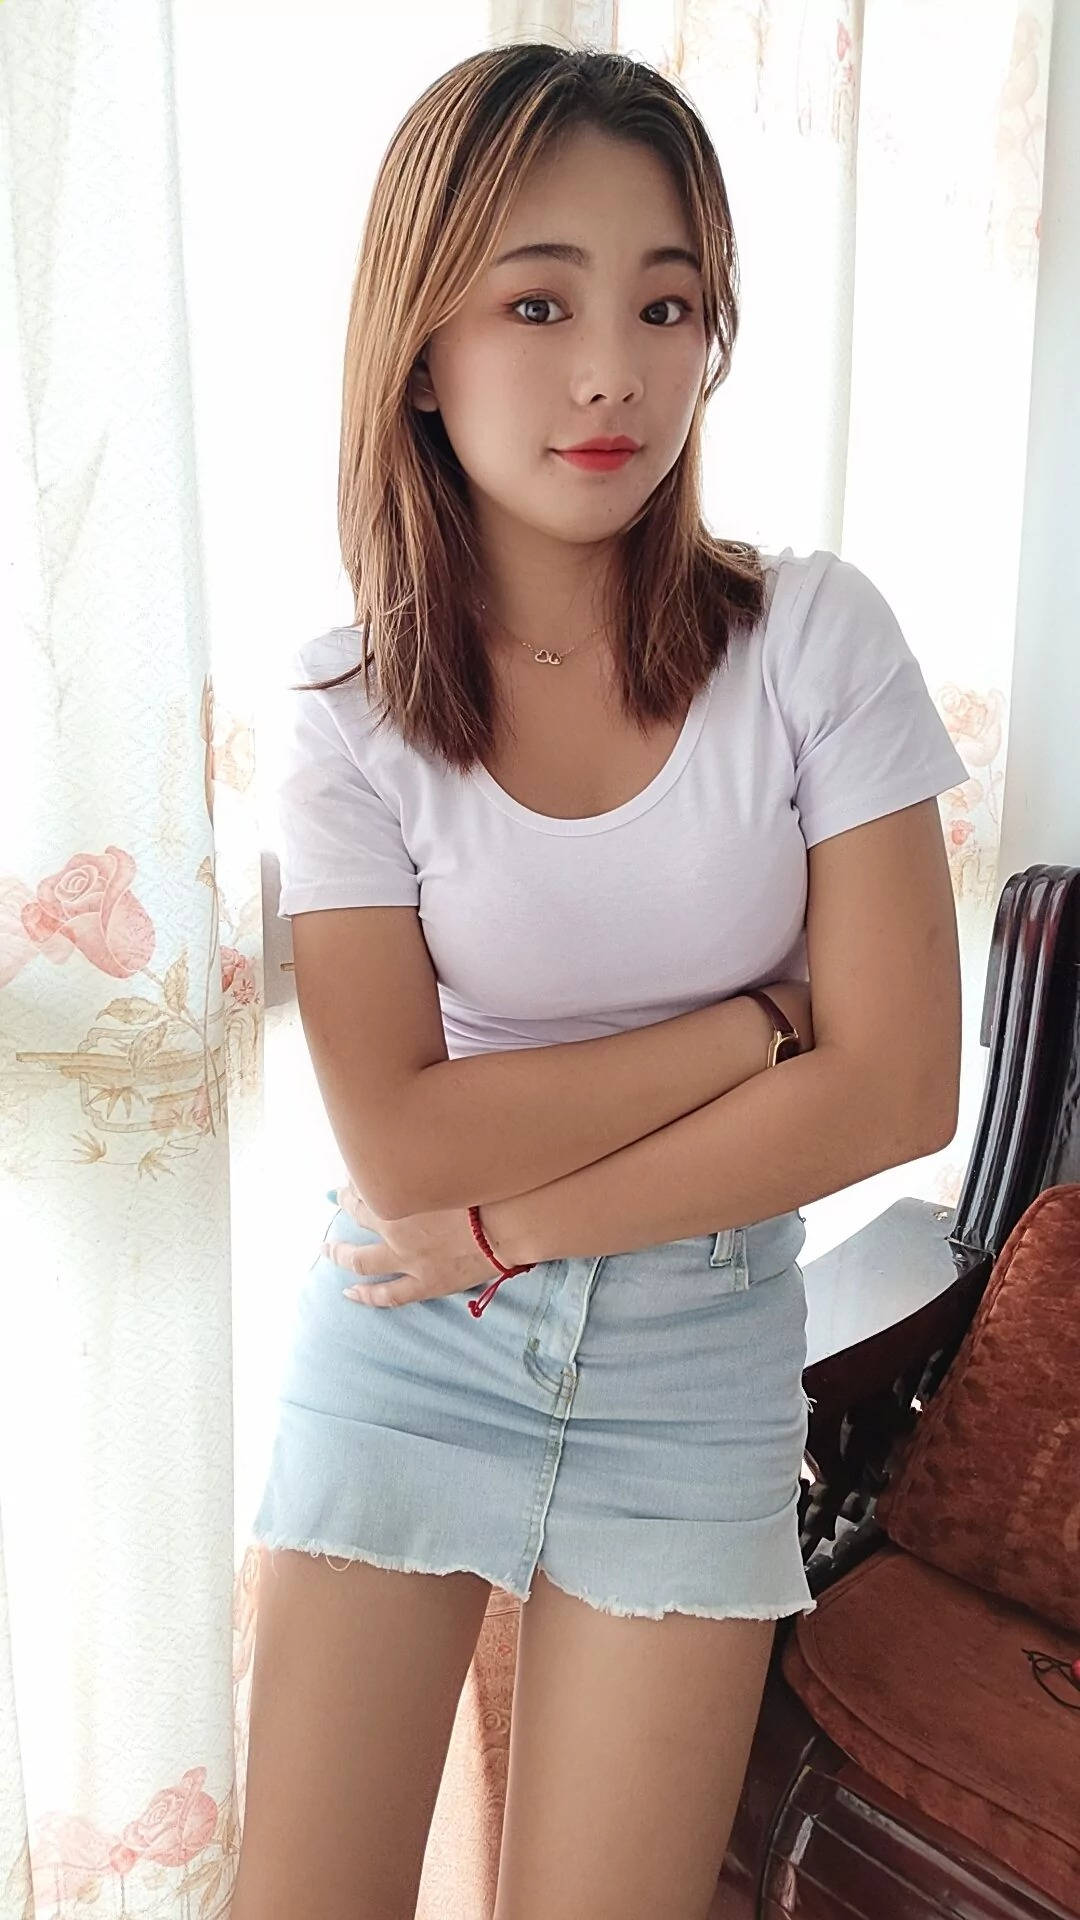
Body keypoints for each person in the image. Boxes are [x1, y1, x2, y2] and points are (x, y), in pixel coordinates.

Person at [233, 42, 967, 1920]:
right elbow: (404, 1146)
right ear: (421, 342)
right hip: (411, 1339)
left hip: (692, 1363)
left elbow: (899, 1090)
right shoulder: (345, 713)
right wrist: (758, 1029)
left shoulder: (814, 641)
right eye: (540, 302)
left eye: (668, 303)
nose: (613, 372)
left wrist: (515, 1223)